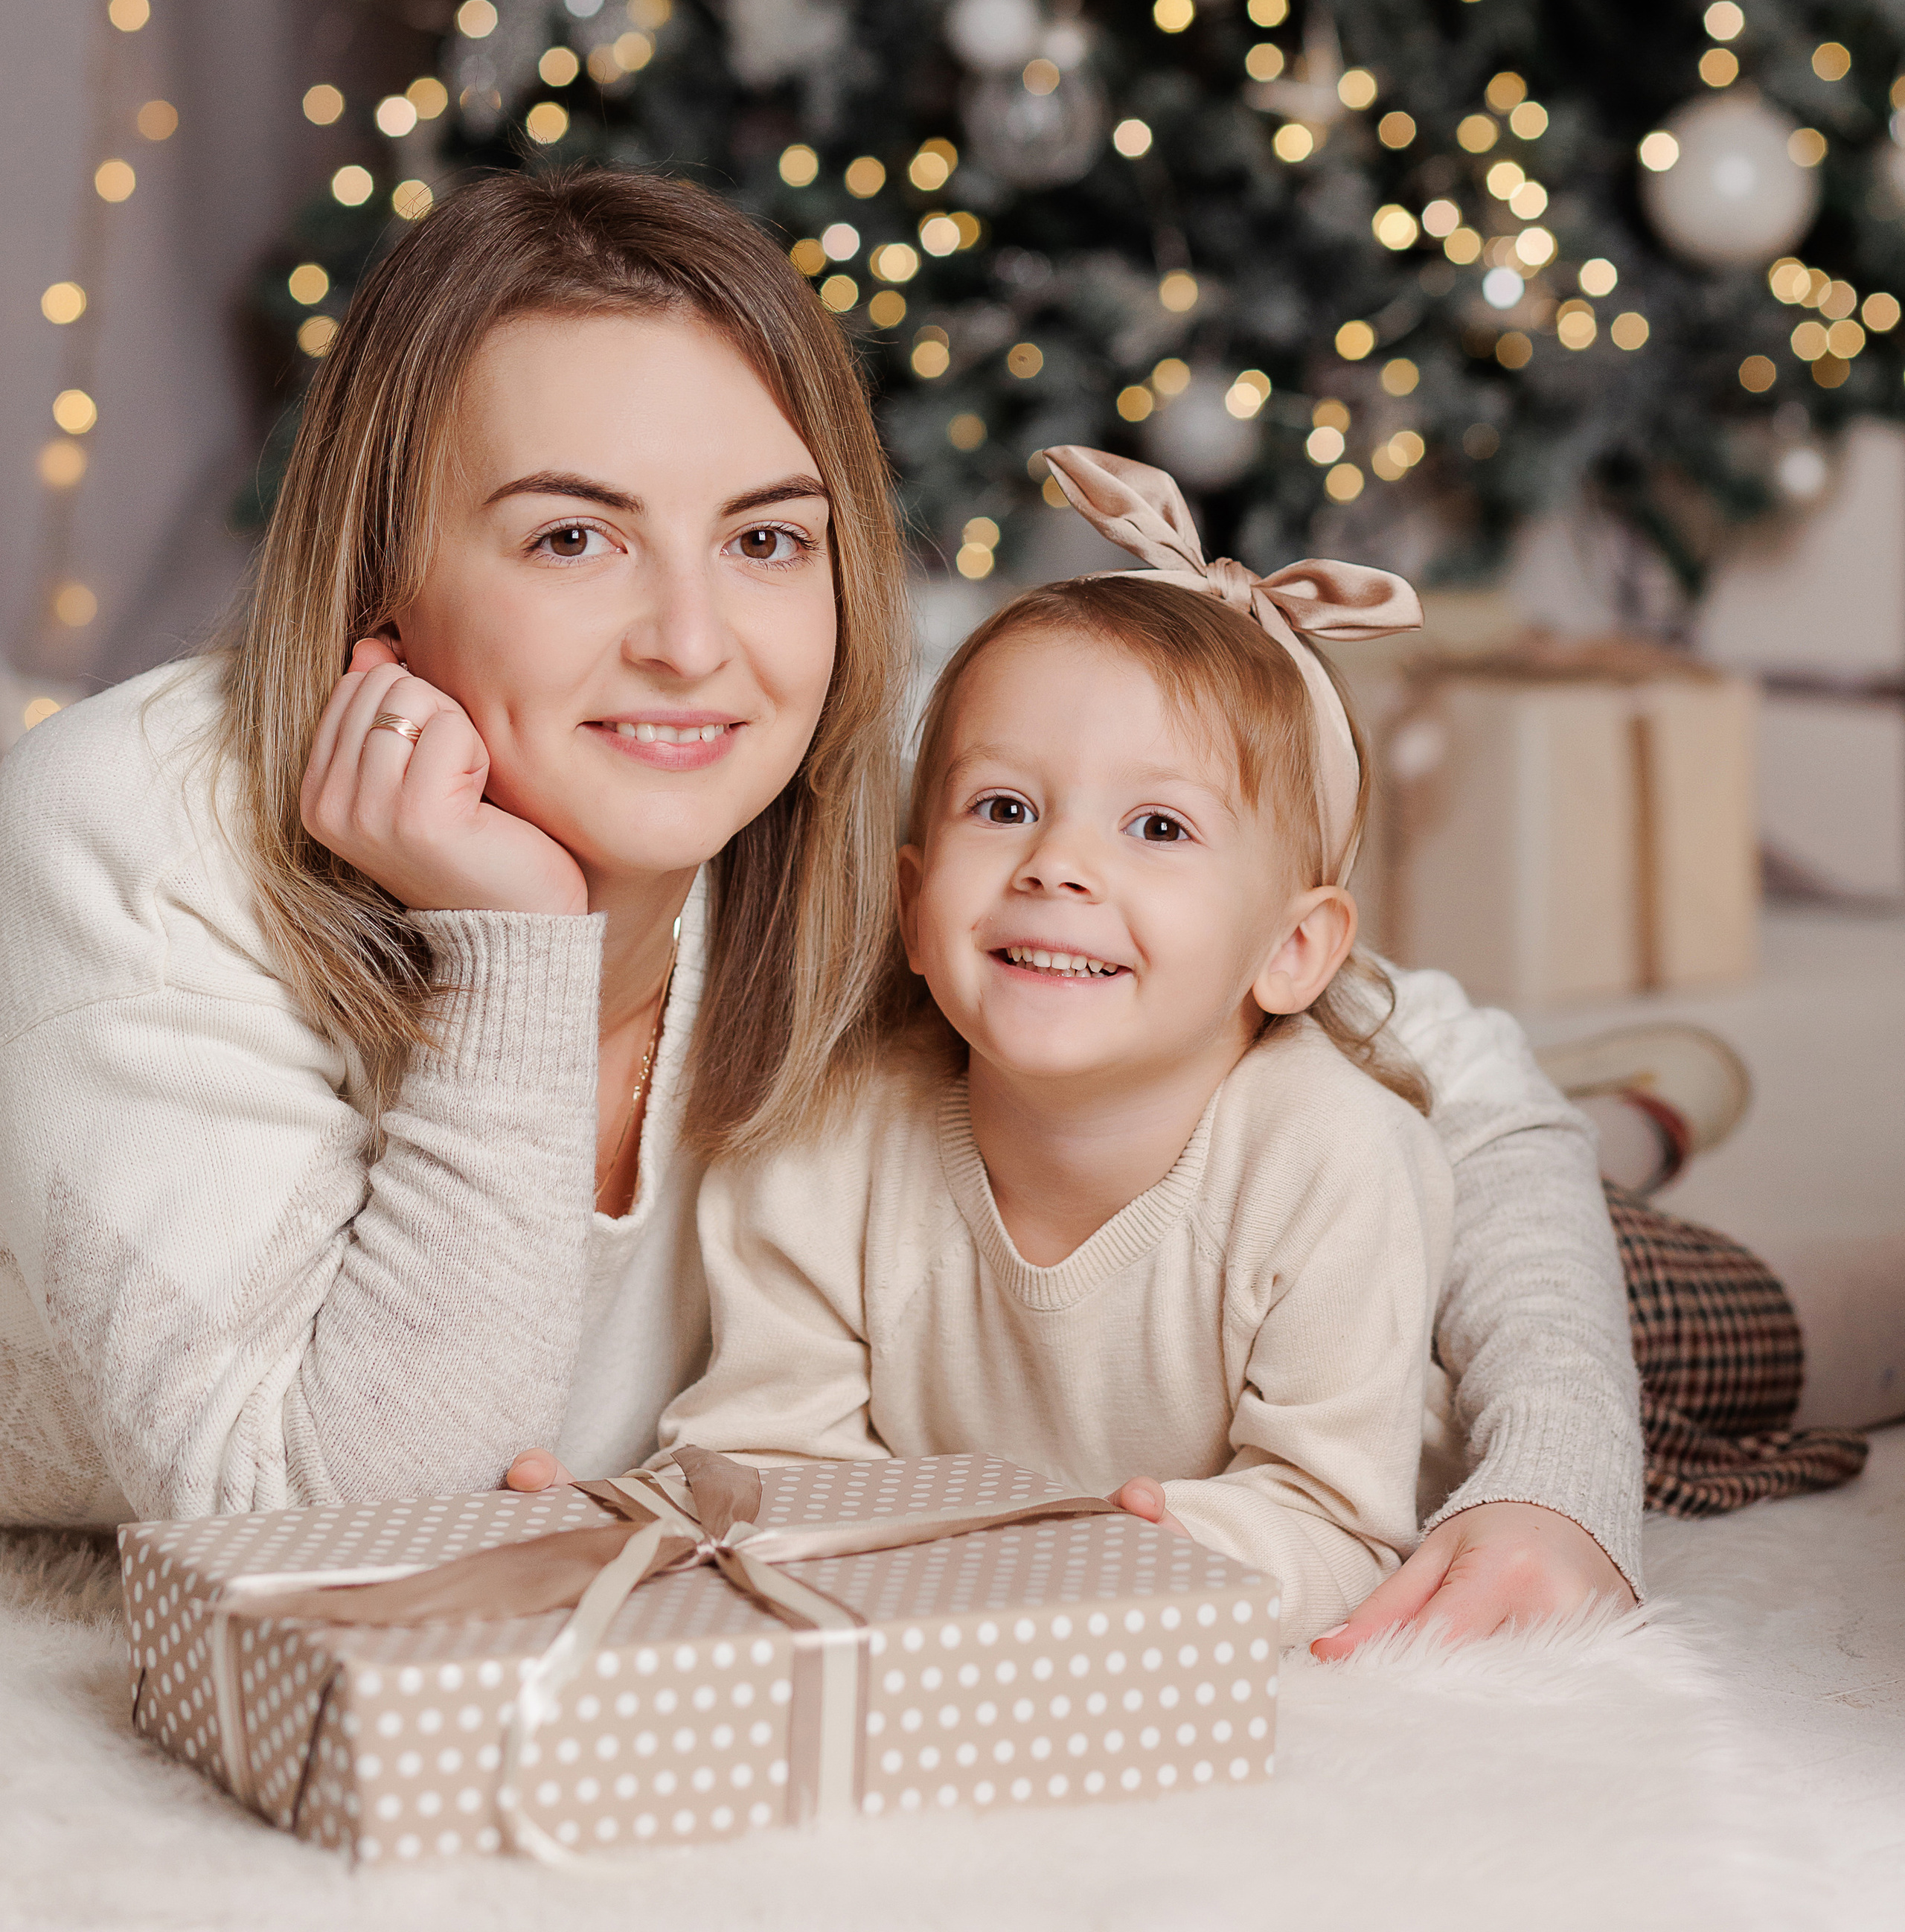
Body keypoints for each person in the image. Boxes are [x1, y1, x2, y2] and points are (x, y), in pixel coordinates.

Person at [0, 167, 1793, 1645]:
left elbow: (1449, 1090)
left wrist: (1553, 1476)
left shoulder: (854, 810)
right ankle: (1643, 1112)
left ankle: (1633, 1114)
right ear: (382, 565)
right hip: (1028, 1335)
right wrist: (516, 956)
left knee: (1614, 1290)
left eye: (767, 539)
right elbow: (319, 1536)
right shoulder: (132, 846)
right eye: (572, 537)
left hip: (1169, 1256)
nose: (693, 644)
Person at [659, 451, 1454, 1646]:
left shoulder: (1334, 1162)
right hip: (1019, 1563)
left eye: (1158, 825)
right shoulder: (823, 1145)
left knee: (1712, 1328)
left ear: (1291, 950)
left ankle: (1653, 1116)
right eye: (1004, 807)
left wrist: (1105, 1568)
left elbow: (1342, 1530)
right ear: (917, 908)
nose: (1057, 864)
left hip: (1420, 1298)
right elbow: (762, 1460)